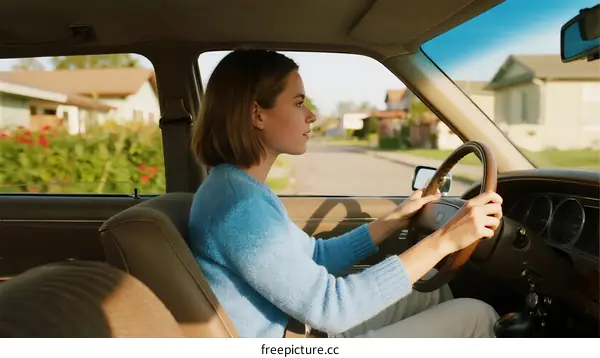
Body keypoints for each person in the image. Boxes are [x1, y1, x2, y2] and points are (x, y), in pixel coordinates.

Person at [188, 49, 502, 338]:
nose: (310, 115)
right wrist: (445, 239)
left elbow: (315, 258)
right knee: (478, 315)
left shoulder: (240, 189)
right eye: (298, 103)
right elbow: (332, 309)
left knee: (433, 292)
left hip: (296, 328)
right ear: (257, 115)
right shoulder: (238, 207)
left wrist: (393, 219)